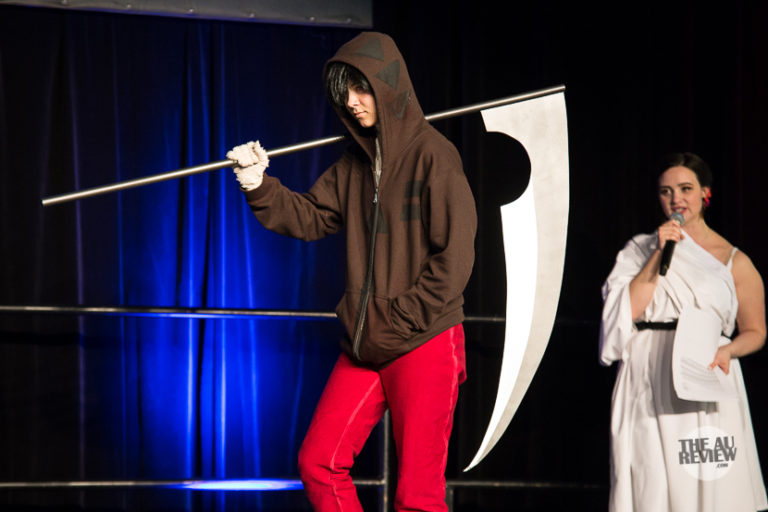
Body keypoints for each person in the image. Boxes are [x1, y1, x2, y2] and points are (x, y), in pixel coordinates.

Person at [227, 32, 477, 511]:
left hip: (423, 340)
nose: (351, 102)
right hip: (366, 343)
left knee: (417, 497)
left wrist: (403, 317)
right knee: (319, 463)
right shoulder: (355, 163)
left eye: (361, 89)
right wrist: (257, 183)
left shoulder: (435, 156)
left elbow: (456, 257)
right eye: (344, 92)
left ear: (389, 87)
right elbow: (311, 217)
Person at [599, 152, 768, 511]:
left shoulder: (734, 260)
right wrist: (658, 253)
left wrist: (728, 351)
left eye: (686, 189)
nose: (676, 199)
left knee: (703, 473)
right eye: (666, 191)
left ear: (706, 193)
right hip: (648, 371)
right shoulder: (639, 249)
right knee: (650, 475)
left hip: (704, 371)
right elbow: (627, 311)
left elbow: (755, 330)